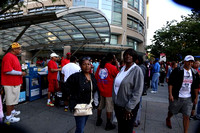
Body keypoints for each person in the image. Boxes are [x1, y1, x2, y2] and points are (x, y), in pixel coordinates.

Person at [113, 48, 144, 133]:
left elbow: (138, 91)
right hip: (118, 105)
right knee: (121, 128)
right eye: (126, 54)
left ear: (134, 57)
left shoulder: (137, 70)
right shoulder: (123, 69)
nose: (128, 56)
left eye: (130, 55)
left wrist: (129, 107)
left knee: (127, 129)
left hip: (128, 107)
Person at [166, 55, 199, 133]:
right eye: (188, 61)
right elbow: (171, 83)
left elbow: (195, 87)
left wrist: (196, 98)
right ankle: (168, 118)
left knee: (187, 116)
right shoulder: (177, 70)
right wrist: (170, 94)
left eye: (192, 62)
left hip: (188, 98)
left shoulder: (194, 73)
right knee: (172, 111)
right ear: (184, 62)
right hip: (177, 96)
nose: (190, 63)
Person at [66, 57, 98, 133]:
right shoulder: (76, 76)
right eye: (84, 64)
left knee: (82, 126)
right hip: (79, 106)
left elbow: (95, 89)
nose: (87, 66)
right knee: (80, 128)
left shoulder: (92, 76)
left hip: (88, 105)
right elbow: (66, 87)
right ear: (80, 65)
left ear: (91, 65)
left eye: (88, 64)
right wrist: (70, 98)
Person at [1, 42, 26, 123]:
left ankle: (12, 112)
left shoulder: (14, 56)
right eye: (19, 48)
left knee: (13, 99)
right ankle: (8, 117)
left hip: (14, 82)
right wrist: (20, 73)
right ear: (14, 49)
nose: (20, 50)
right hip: (9, 82)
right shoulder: (8, 56)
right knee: (9, 100)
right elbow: (7, 71)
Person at [95, 53, 119, 130]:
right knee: (109, 108)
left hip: (100, 90)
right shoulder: (112, 67)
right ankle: (108, 124)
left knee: (100, 106)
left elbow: (96, 76)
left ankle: (98, 120)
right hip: (109, 91)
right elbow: (119, 77)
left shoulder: (100, 66)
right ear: (112, 59)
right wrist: (117, 65)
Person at [134, 55, 147, 127]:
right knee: (139, 105)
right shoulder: (143, 67)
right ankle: (137, 120)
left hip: (139, 89)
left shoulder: (140, 68)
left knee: (137, 105)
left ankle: (136, 120)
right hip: (140, 89)